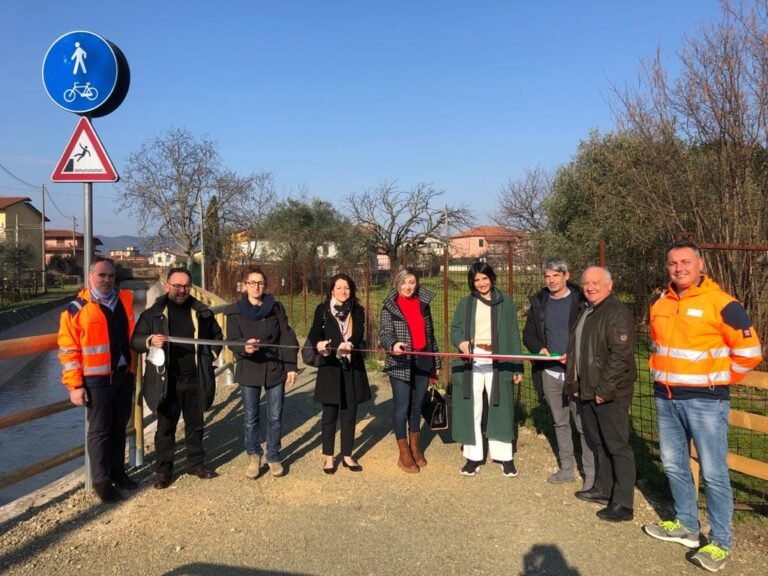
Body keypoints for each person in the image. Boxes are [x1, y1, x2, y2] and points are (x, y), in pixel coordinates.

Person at [643, 240, 763, 573]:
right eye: (672, 263)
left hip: (705, 401)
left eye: (685, 262)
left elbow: (751, 353)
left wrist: (719, 379)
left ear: (700, 266)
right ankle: (686, 525)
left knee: (713, 472)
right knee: (673, 464)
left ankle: (721, 542)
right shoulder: (659, 302)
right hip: (665, 397)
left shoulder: (723, 304)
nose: (678, 268)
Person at [131, 267, 223, 489]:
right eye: (178, 286)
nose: (182, 290)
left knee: (195, 425)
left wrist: (209, 355)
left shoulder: (202, 312)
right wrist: (150, 341)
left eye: (186, 286)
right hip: (166, 380)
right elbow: (135, 341)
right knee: (165, 428)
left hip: (195, 378)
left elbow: (217, 338)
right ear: (167, 286)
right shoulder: (152, 314)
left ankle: (196, 464)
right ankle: (163, 471)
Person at [57, 260, 136, 503]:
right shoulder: (75, 309)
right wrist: (75, 385)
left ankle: (118, 473)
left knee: (119, 426)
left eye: (111, 276)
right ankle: (102, 482)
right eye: (102, 275)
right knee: (100, 431)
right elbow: (68, 350)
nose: (107, 280)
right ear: (90, 276)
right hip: (95, 379)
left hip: (124, 374)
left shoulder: (124, 299)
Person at [565, 266, 637, 522]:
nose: (590, 287)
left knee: (617, 445)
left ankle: (623, 502)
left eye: (596, 283)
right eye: (586, 283)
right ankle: (603, 488)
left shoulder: (616, 312)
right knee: (599, 442)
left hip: (609, 392)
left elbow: (620, 356)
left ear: (610, 285)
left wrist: (603, 390)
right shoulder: (588, 310)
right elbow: (581, 349)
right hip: (587, 390)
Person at [523, 258, 595, 487]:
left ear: (566, 275)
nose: (551, 280)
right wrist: (539, 348)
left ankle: (591, 474)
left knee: (583, 426)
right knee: (560, 422)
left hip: (577, 373)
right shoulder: (539, 302)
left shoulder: (582, 300)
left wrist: (574, 356)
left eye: (556, 275)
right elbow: (529, 335)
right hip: (550, 373)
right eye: (547, 276)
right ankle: (566, 468)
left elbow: (592, 336)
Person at [451, 262, 524, 477]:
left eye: (485, 278)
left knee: (501, 407)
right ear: (471, 283)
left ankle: (504, 457)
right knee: (472, 408)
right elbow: (455, 329)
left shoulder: (506, 303)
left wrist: (517, 366)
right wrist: (462, 344)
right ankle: (473, 457)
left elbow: (513, 334)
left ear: (492, 278)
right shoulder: (465, 303)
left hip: (498, 362)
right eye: (476, 280)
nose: (481, 283)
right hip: (472, 361)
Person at [226, 265, 298, 478]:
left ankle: (273, 455)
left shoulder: (275, 307)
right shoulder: (235, 310)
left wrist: (291, 366)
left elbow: (286, 336)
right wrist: (243, 346)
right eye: (252, 282)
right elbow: (231, 339)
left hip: (274, 367)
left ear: (265, 286)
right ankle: (254, 455)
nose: (256, 286)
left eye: (260, 283)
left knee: (275, 416)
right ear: (245, 285)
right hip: (249, 368)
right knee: (251, 416)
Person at [307, 273, 372, 474]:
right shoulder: (323, 310)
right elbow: (314, 333)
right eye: (339, 287)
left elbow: (359, 333)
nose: (343, 291)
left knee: (350, 413)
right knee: (329, 414)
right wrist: (320, 344)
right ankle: (328, 457)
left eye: (347, 288)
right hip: (330, 367)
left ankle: (347, 455)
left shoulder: (358, 310)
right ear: (331, 290)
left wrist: (350, 344)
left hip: (352, 367)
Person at [379, 267, 441, 473]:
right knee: (402, 407)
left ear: (417, 284)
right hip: (401, 361)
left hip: (423, 360)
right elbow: (385, 332)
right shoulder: (390, 306)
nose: (408, 286)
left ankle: (415, 445)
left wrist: (436, 364)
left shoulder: (424, 304)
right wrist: (393, 344)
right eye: (404, 282)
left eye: (412, 282)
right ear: (397, 284)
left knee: (416, 406)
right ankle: (403, 450)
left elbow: (431, 336)